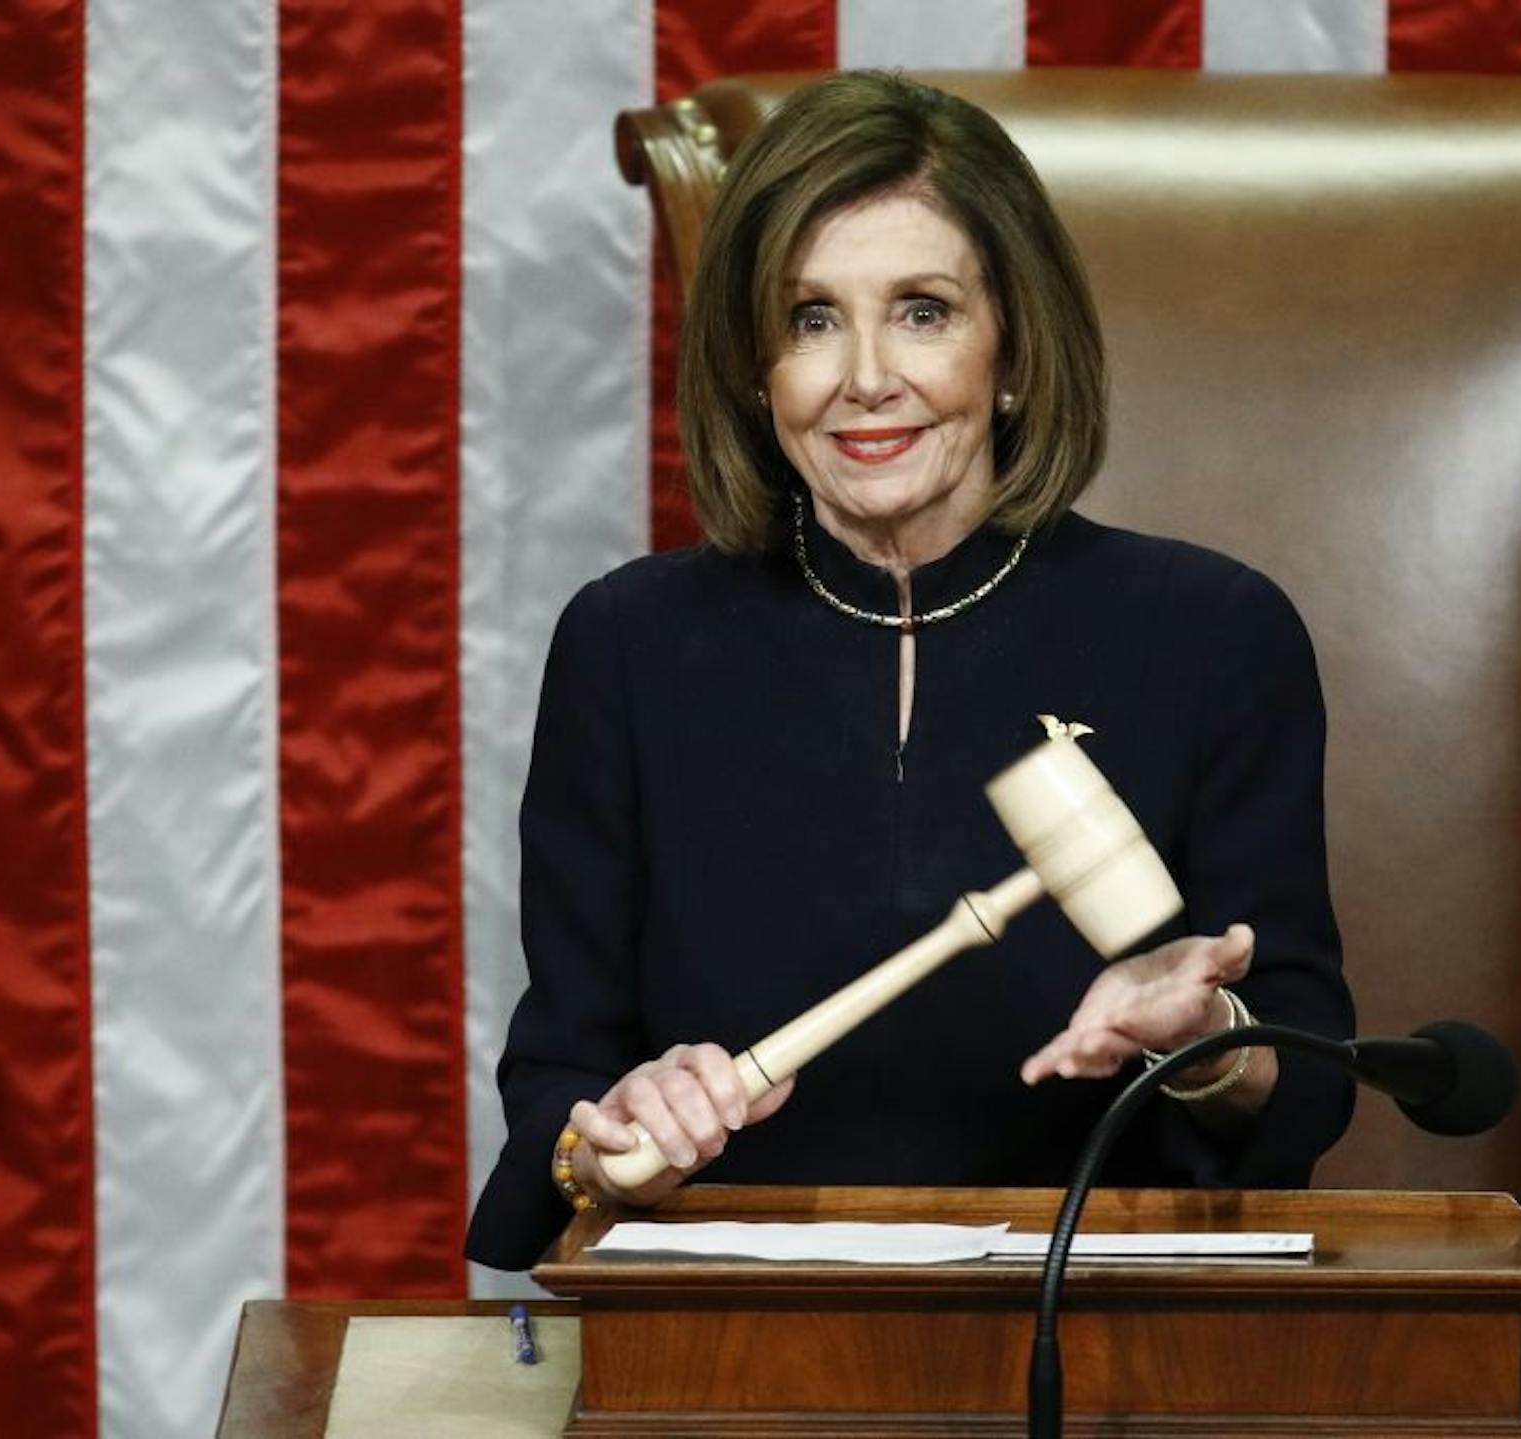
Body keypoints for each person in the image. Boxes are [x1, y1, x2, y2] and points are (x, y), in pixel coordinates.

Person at [465, 71, 1355, 1271]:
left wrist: (1212, 1036)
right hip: (730, 1352)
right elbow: (560, 1083)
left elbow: (1310, 1080)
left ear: (1017, 352)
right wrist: (611, 1132)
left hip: (1095, 1338)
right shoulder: (629, 647)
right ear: (754, 368)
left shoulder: (1211, 635)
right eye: (810, 318)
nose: (865, 376)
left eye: (923, 310)